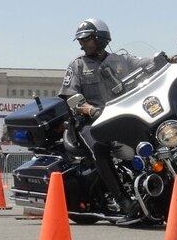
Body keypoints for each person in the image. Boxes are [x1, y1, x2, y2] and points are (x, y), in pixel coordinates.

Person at [58, 19, 148, 217]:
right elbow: (70, 97)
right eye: (80, 40)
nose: (82, 44)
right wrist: (90, 110)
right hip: (91, 122)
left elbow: (145, 63)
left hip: (121, 117)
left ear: (100, 38)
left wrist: (168, 59)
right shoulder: (77, 65)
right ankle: (123, 200)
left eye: (86, 39)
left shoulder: (121, 60)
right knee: (99, 148)